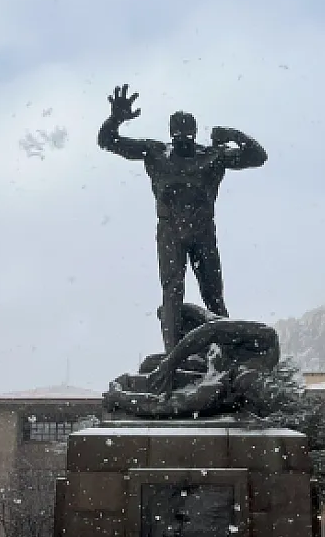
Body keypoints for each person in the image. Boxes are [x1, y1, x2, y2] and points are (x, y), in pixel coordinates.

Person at [97, 83, 267, 352]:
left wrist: (232, 134)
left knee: (213, 295)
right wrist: (115, 118)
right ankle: (173, 356)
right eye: (178, 134)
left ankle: (224, 354)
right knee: (172, 292)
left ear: (195, 133)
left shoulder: (212, 156)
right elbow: (107, 141)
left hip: (203, 232)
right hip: (170, 232)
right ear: (171, 134)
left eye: (187, 134)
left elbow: (258, 157)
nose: (183, 139)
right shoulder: (155, 152)